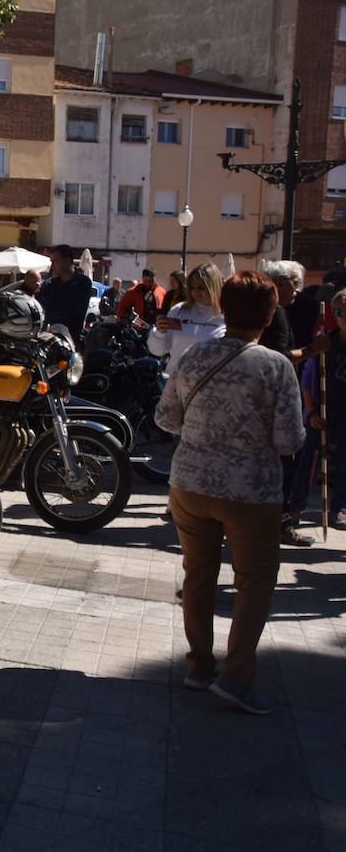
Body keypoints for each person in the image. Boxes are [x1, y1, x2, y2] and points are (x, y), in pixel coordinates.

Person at [155, 271, 305, 716]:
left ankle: (199, 665)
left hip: (190, 482)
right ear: (269, 314)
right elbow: (289, 440)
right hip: (250, 491)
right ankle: (237, 677)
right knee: (253, 582)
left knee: (198, 575)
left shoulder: (197, 356)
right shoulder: (275, 366)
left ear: (225, 308)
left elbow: (166, 418)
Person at [260, 261, 333, 545]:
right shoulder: (275, 312)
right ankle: (279, 525)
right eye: (294, 283)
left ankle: (278, 522)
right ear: (279, 284)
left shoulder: (279, 310)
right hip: (278, 398)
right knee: (286, 463)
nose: (298, 288)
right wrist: (313, 349)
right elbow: (280, 357)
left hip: (275, 395)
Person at [288, 288, 346, 531]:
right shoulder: (325, 341)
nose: (344, 315)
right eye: (340, 311)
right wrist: (310, 412)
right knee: (308, 459)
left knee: (345, 461)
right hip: (322, 409)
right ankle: (295, 507)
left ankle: (339, 509)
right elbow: (308, 378)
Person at [148, 262, 225, 373]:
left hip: (210, 385)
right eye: (192, 287)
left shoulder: (227, 314)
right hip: (176, 382)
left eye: (201, 287)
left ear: (214, 286)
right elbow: (157, 351)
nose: (196, 292)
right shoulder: (178, 310)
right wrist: (160, 333)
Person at [37, 244, 92, 343]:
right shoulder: (50, 284)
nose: (52, 265)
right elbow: (40, 305)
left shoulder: (82, 282)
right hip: (48, 339)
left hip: (70, 341)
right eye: (51, 262)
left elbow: (73, 311)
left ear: (67, 261)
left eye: (55, 261)